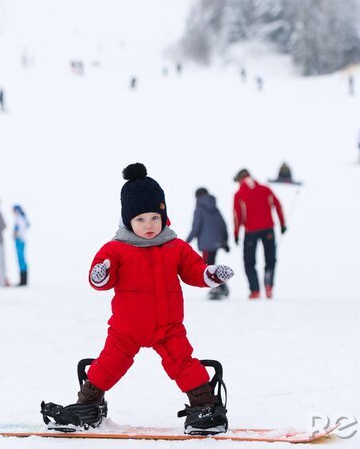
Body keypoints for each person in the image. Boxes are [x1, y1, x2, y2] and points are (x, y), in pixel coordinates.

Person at [41, 163, 234, 434]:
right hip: (126, 330)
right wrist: (100, 275)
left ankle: (205, 407)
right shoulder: (116, 249)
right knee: (106, 366)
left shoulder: (175, 246)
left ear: (164, 216)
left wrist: (209, 274)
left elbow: (193, 270)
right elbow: (102, 280)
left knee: (184, 364)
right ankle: (87, 406)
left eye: (155, 217)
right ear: (128, 220)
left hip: (168, 328)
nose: (149, 225)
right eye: (141, 219)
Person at [233, 169, 286, 300]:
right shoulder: (265, 189)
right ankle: (268, 285)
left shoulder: (239, 193)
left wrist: (236, 233)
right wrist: (282, 224)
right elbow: (277, 205)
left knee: (249, 261)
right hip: (268, 229)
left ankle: (255, 290)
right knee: (270, 259)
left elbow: (237, 216)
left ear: (240, 179)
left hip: (250, 231)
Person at [186, 188, 230, 300]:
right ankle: (221, 287)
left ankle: (218, 286)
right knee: (210, 263)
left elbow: (195, 228)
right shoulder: (215, 208)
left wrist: (185, 242)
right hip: (216, 242)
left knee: (206, 265)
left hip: (206, 243)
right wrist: (225, 241)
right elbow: (222, 225)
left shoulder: (199, 209)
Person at [13, 205, 29, 286]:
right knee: (21, 260)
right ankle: (23, 280)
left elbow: (20, 230)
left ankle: (23, 281)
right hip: (20, 240)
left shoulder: (19, 218)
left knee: (21, 260)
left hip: (20, 240)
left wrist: (17, 235)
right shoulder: (21, 218)